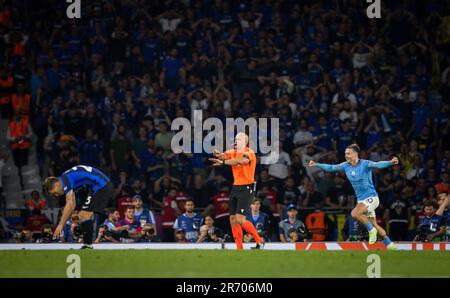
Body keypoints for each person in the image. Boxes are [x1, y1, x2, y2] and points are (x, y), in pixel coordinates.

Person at [309, 143, 398, 249]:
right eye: (345, 153)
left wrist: (390, 162)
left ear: (355, 154)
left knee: (354, 213)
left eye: (348, 153)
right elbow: (331, 168)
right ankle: (389, 244)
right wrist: (316, 164)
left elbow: (378, 164)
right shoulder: (345, 165)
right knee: (374, 224)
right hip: (361, 200)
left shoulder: (365, 163)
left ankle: (371, 230)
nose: (346, 155)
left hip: (372, 198)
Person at [209, 132, 264, 250]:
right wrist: (218, 155)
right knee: (233, 219)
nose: (235, 141)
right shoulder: (233, 152)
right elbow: (224, 156)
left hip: (246, 188)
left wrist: (223, 162)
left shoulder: (249, 152)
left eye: (238, 139)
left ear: (245, 141)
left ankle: (259, 241)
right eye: (235, 139)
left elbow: (241, 161)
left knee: (240, 219)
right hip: (236, 187)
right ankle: (239, 248)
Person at [43, 165, 114, 249]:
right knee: (82, 215)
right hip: (98, 186)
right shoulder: (65, 178)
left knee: (84, 215)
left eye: (54, 192)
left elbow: (70, 203)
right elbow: (72, 205)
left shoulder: (65, 180)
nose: (56, 195)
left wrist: (60, 225)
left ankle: (89, 245)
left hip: (101, 186)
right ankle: (88, 244)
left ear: (56, 184)